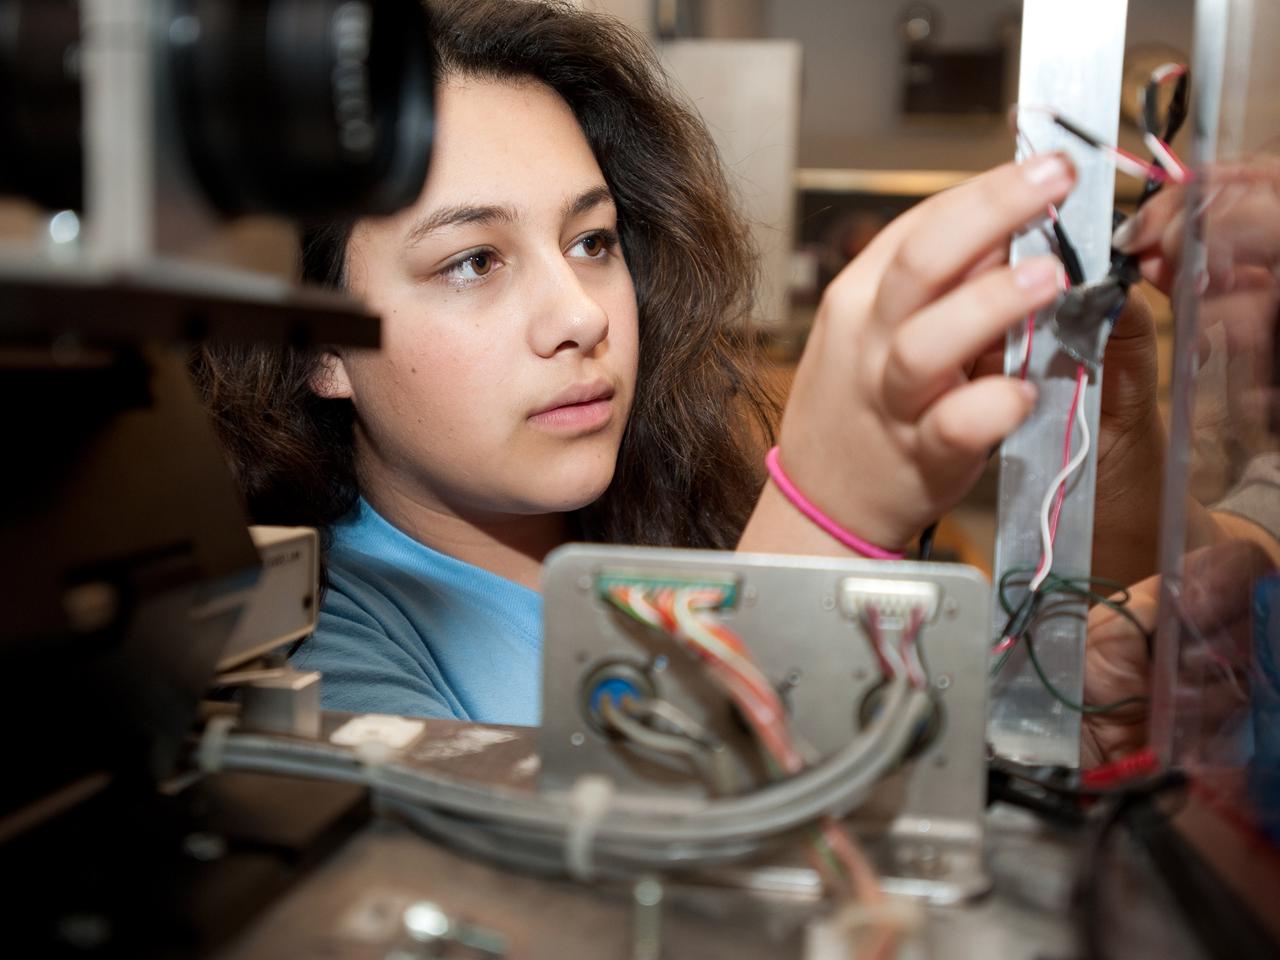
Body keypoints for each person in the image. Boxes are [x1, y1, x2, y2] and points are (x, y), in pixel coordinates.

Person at [193, 0, 1094, 726]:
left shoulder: (672, 525)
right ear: (319, 347)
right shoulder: (307, 640)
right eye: (474, 261)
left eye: (591, 241)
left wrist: (1029, 703)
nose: (580, 316)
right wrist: (823, 518)